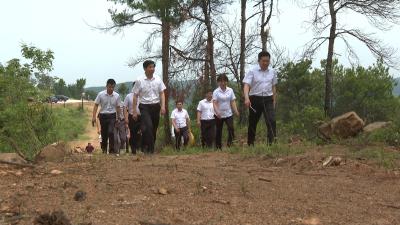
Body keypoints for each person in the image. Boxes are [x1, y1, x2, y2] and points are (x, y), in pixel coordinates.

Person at [243, 51, 278, 145]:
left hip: (268, 99)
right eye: (263, 61)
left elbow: (274, 86)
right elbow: (246, 85)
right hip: (255, 99)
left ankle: (271, 144)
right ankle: (250, 144)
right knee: (253, 123)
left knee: (272, 120)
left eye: (267, 61)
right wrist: (247, 98)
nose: (266, 63)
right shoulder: (252, 71)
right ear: (259, 61)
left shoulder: (272, 72)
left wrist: (274, 100)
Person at [132, 60, 166, 154]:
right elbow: (135, 96)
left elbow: (162, 93)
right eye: (150, 67)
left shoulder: (158, 79)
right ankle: (150, 150)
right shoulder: (139, 80)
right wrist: (134, 111)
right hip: (144, 107)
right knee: (148, 127)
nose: (152, 69)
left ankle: (147, 147)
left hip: (156, 106)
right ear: (145, 69)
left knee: (153, 129)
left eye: (153, 67)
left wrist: (163, 106)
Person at [92, 79, 122, 154]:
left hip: (112, 115)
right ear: (106, 86)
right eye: (109, 87)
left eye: (113, 87)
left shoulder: (117, 96)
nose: (111, 89)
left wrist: (118, 118)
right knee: (104, 133)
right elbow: (96, 105)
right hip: (103, 115)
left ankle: (111, 151)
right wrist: (93, 117)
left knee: (111, 132)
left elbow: (118, 107)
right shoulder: (100, 94)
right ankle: (104, 150)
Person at [213, 74, 239, 149]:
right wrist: (217, 112)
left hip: (228, 113)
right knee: (219, 131)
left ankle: (230, 145)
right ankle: (218, 147)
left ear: (227, 82)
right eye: (221, 81)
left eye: (224, 81)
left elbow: (233, 101)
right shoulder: (216, 91)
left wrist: (236, 111)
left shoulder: (230, 90)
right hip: (219, 114)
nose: (223, 83)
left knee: (231, 128)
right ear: (218, 82)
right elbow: (214, 103)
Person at [124, 82, 142, 154]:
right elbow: (125, 107)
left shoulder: (142, 96)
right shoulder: (128, 96)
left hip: (141, 116)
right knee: (133, 133)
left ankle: (139, 147)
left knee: (141, 132)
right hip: (132, 116)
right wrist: (126, 118)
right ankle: (133, 149)